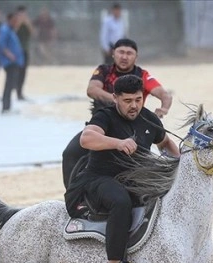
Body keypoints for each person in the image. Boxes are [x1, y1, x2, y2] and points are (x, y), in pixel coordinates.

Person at [64, 75, 180, 263]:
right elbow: (86, 138)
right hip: (98, 180)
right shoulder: (105, 116)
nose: (134, 106)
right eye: (128, 101)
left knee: (163, 196)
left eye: (138, 99)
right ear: (116, 98)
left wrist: (181, 165)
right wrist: (117, 143)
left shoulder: (147, 119)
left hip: (134, 180)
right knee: (121, 201)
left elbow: (165, 144)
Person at [62, 38, 173, 188]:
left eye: (129, 53)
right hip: (102, 125)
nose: (124, 57)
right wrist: (117, 100)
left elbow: (165, 95)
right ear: (113, 54)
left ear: (136, 57)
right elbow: (92, 89)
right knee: (70, 153)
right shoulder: (103, 70)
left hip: (133, 126)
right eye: (121, 52)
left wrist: (164, 109)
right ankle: (72, 192)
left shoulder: (143, 75)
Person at [0, 12, 25, 115]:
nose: (16, 22)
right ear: (9, 20)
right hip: (10, 62)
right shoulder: (5, 30)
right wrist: (10, 55)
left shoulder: (11, 30)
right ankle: (5, 107)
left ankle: (8, 106)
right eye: (14, 20)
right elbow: (1, 44)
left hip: (15, 61)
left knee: (11, 84)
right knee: (9, 84)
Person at [13, 5, 32, 101]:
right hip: (16, 51)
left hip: (25, 50)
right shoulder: (14, 22)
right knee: (16, 71)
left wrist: (27, 22)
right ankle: (14, 89)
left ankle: (19, 92)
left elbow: (32, 32)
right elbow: (13, 33)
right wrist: (19, 23)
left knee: (23, 72)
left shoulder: (27, 22)